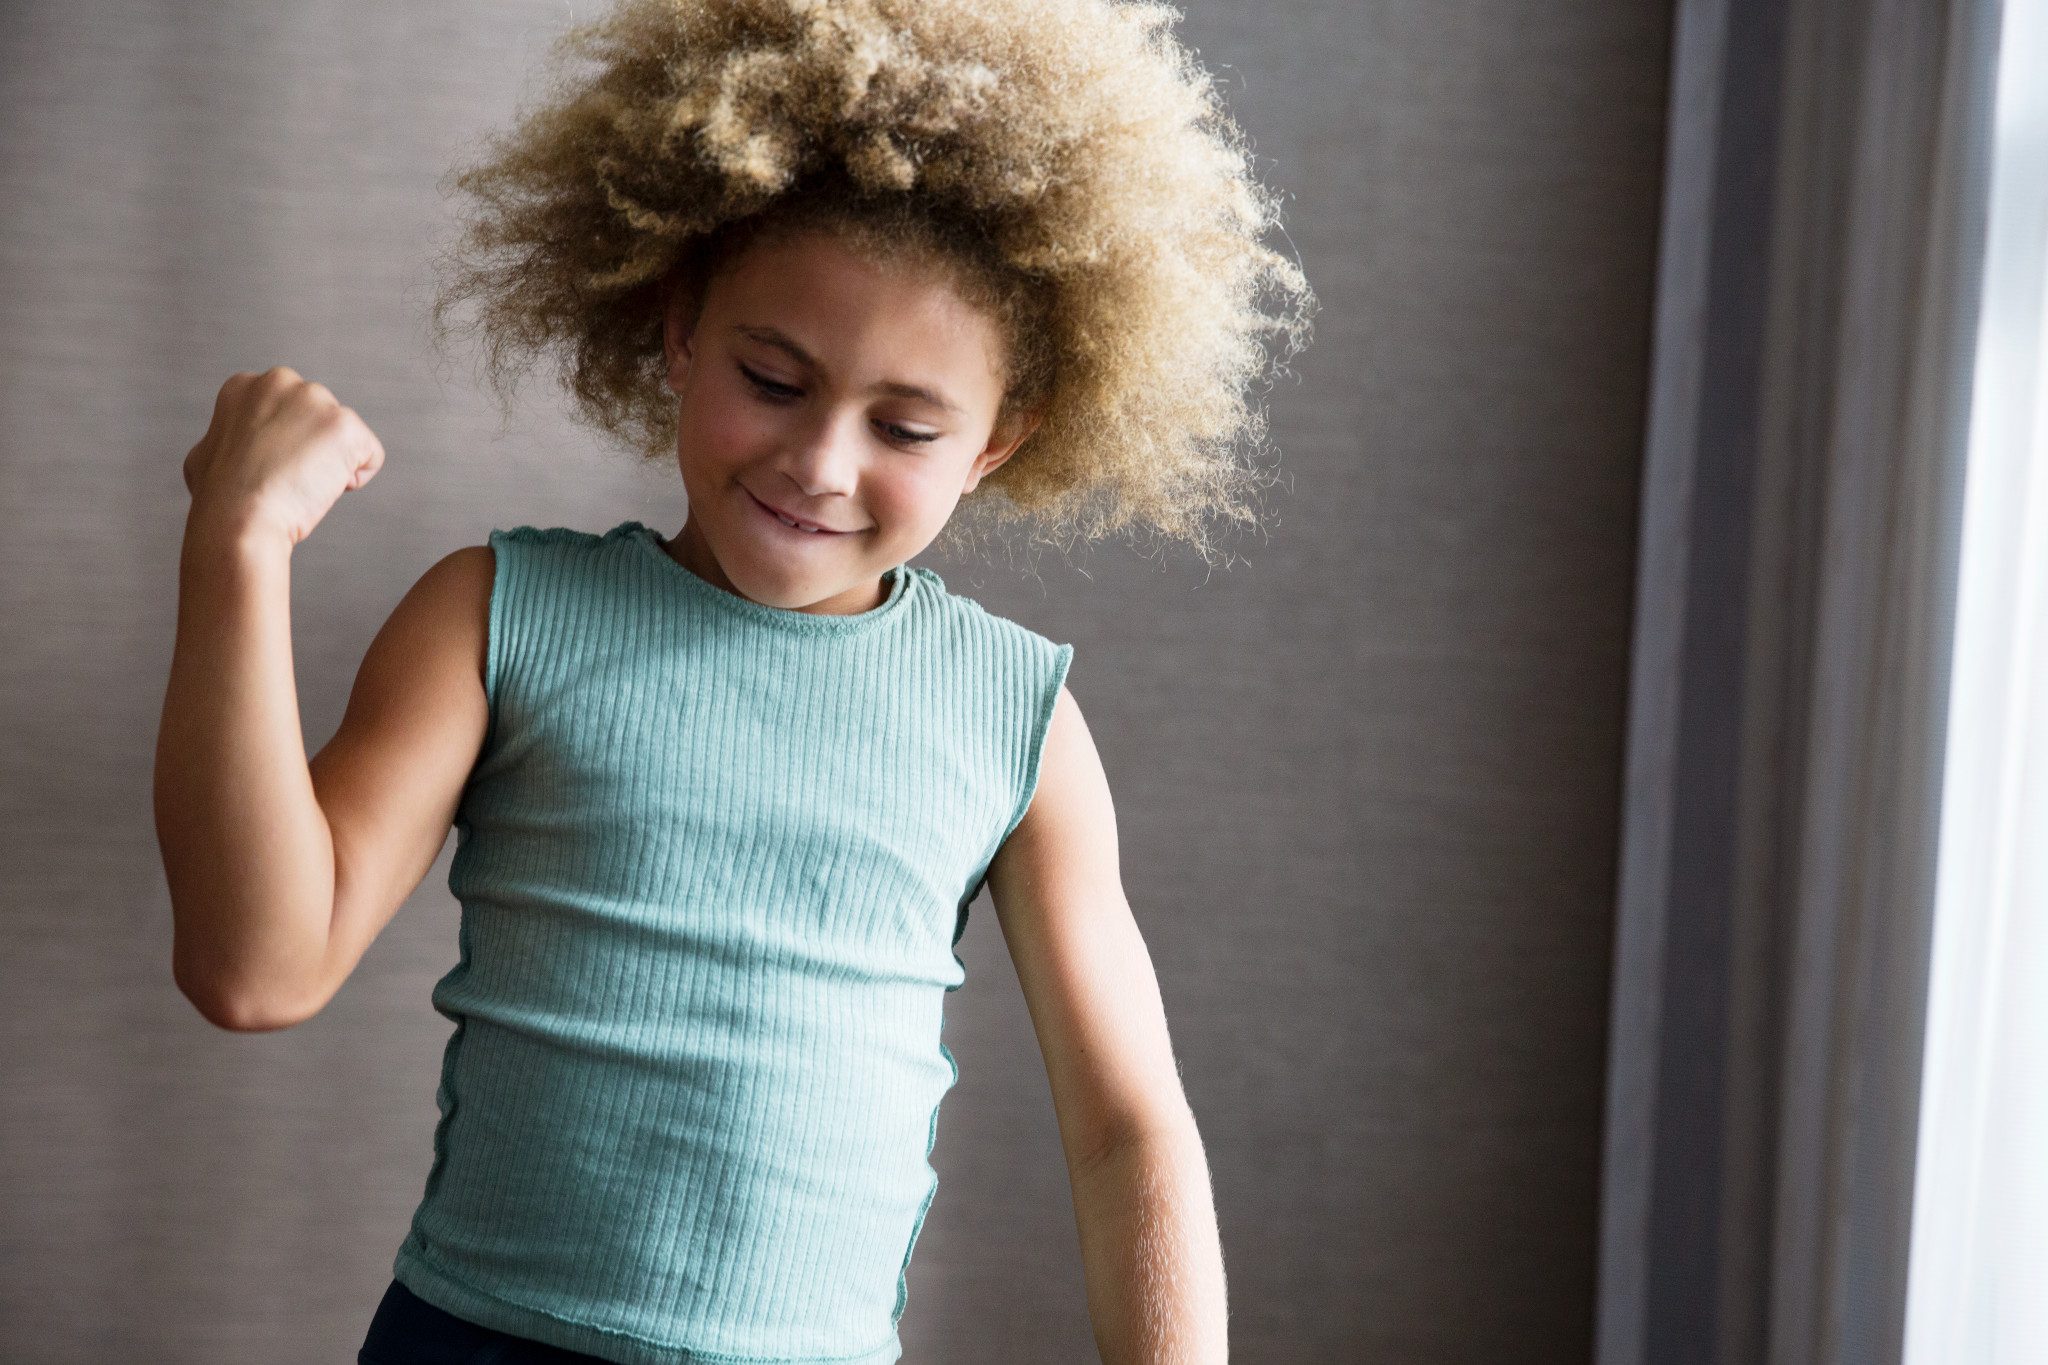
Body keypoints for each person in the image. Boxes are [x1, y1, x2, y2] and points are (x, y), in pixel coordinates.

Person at [153, 0, 1316, 1361]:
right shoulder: (499, 617)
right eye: (773, 377)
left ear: (1001, 440)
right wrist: (238, 544)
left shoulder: (1019, 723)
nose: (822, 462)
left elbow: (1127, 1132)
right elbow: (255, 965)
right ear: (678, 331)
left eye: (906, 425)